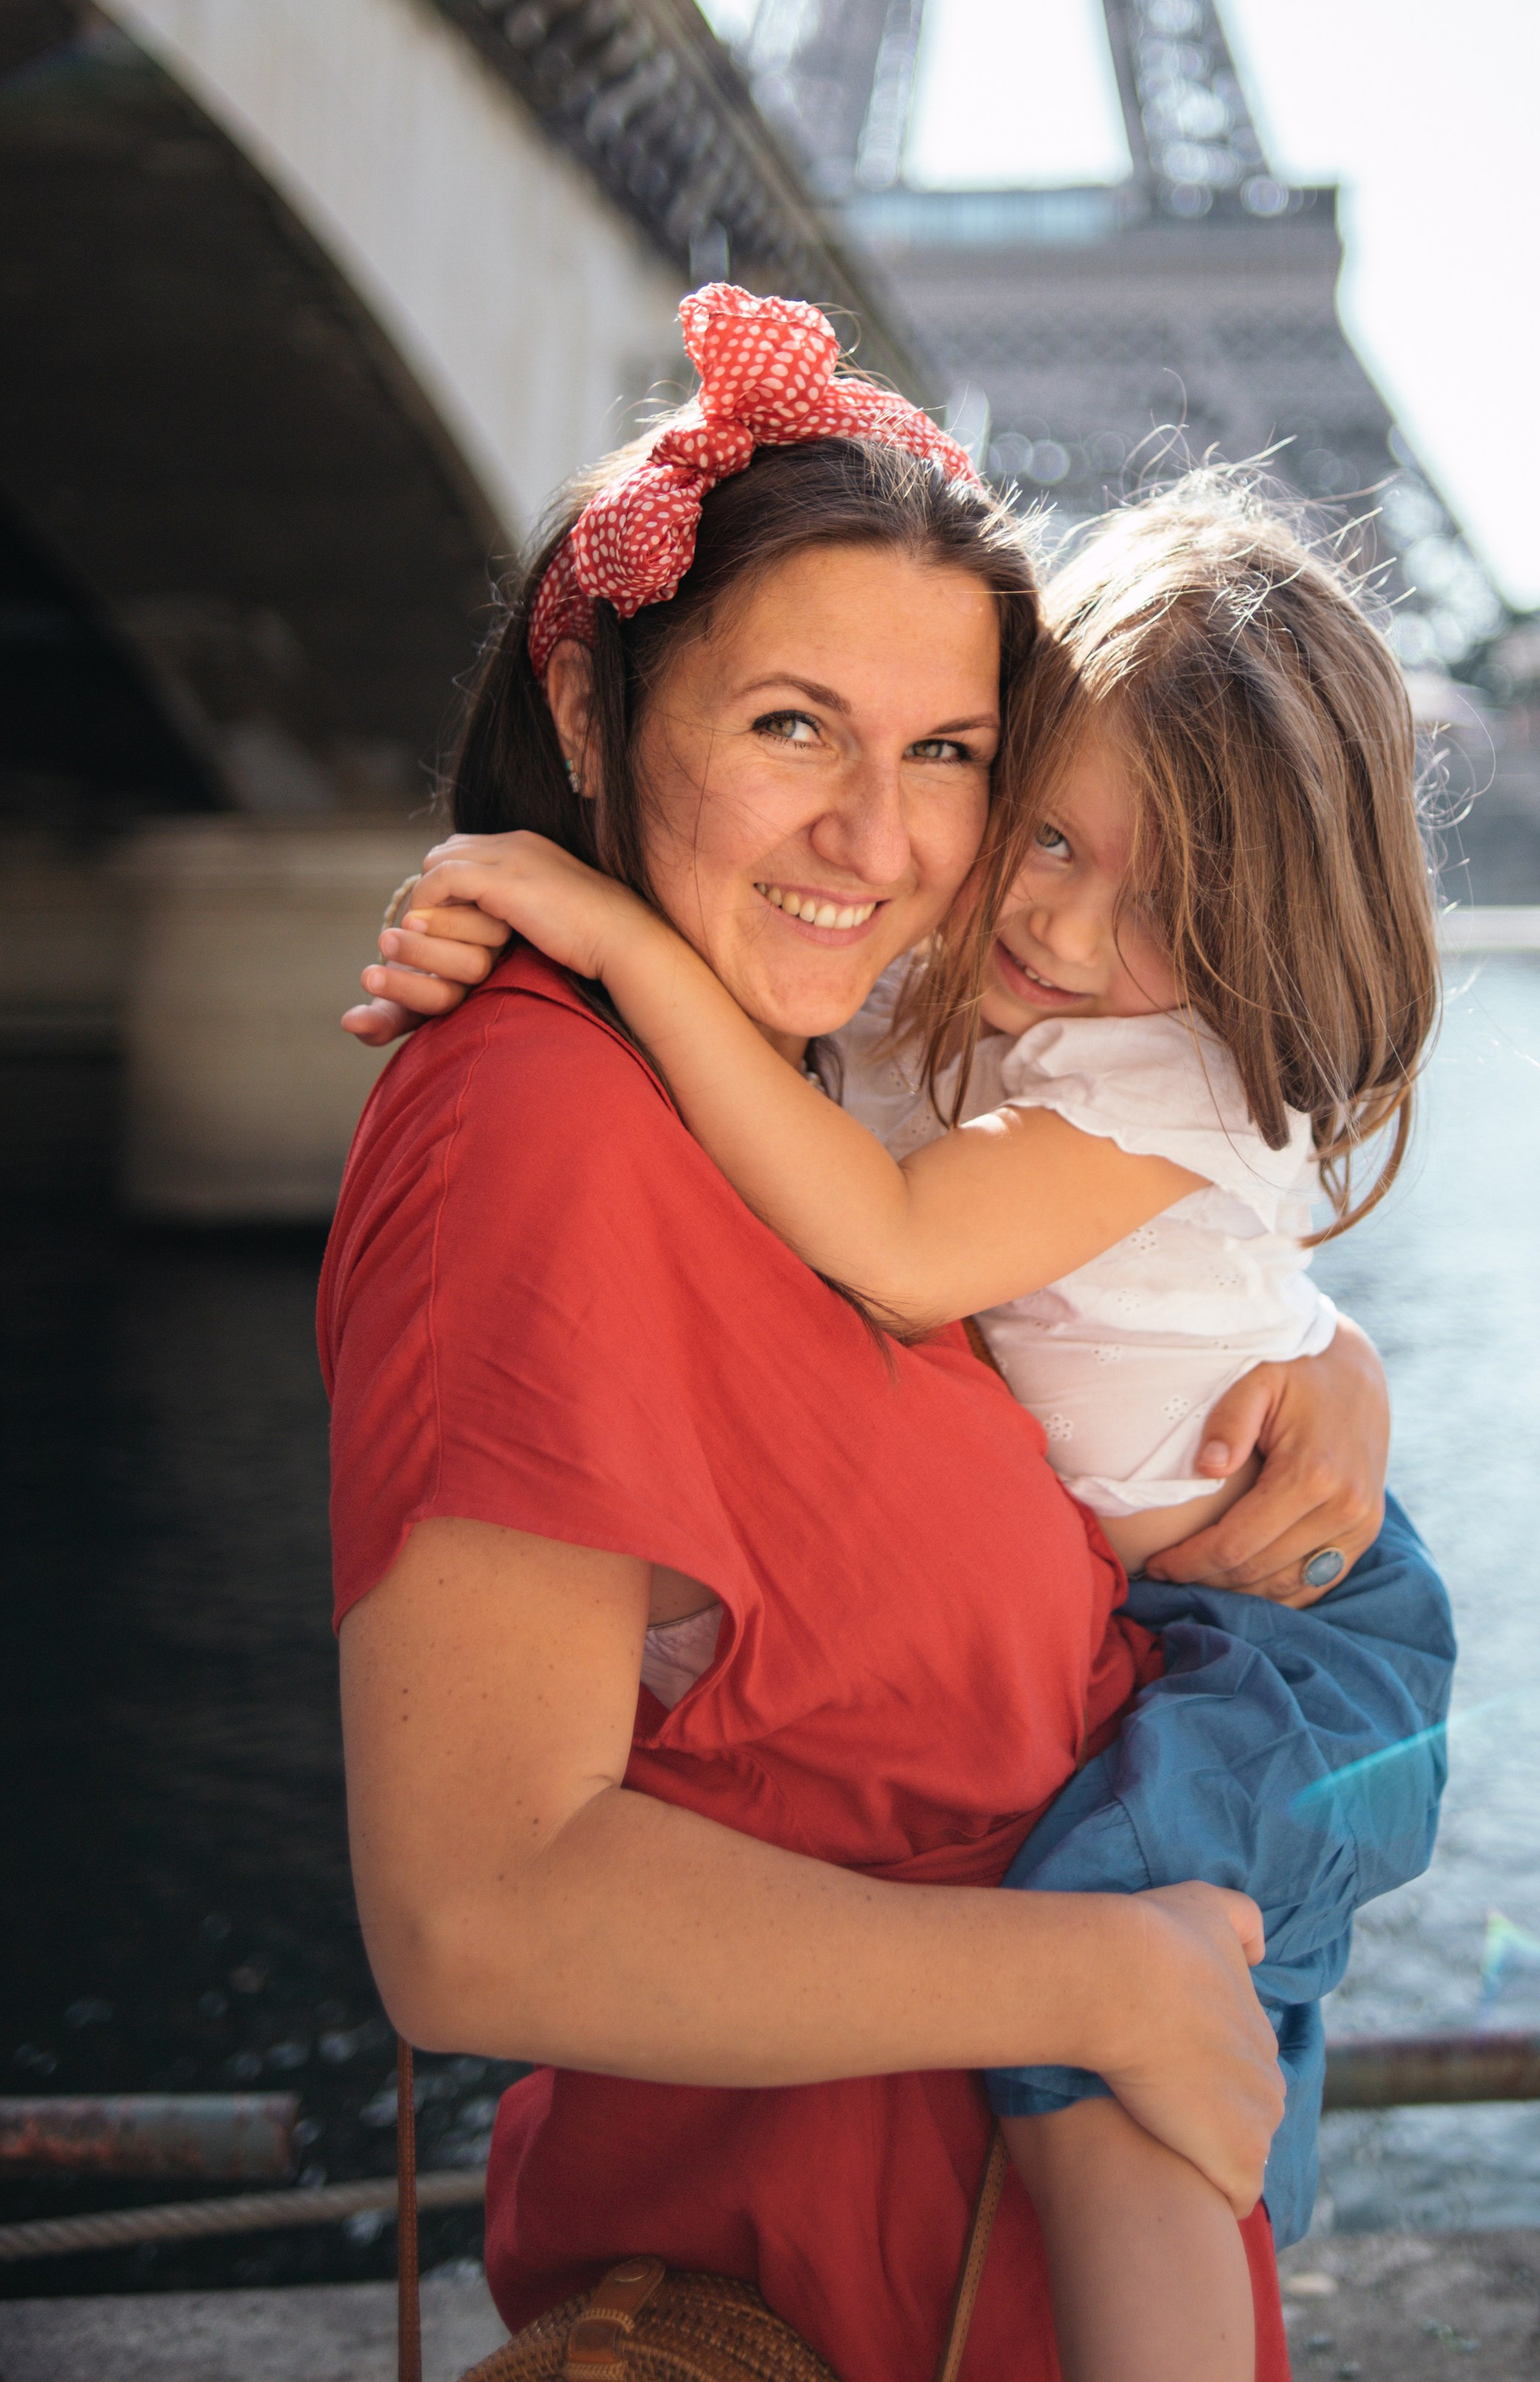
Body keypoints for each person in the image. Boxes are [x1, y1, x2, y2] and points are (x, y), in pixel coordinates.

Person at [354, 335, 1452, 2382]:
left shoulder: (826, 1054)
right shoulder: (551, 1112)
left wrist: (1321, 1345)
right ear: (589, 704)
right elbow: (475, 1912)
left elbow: (1024, 1272)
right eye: (793, 724)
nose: (886, 839)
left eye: (948, 750)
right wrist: (1094, 1982)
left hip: (995, 2251)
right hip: (844, 2302)